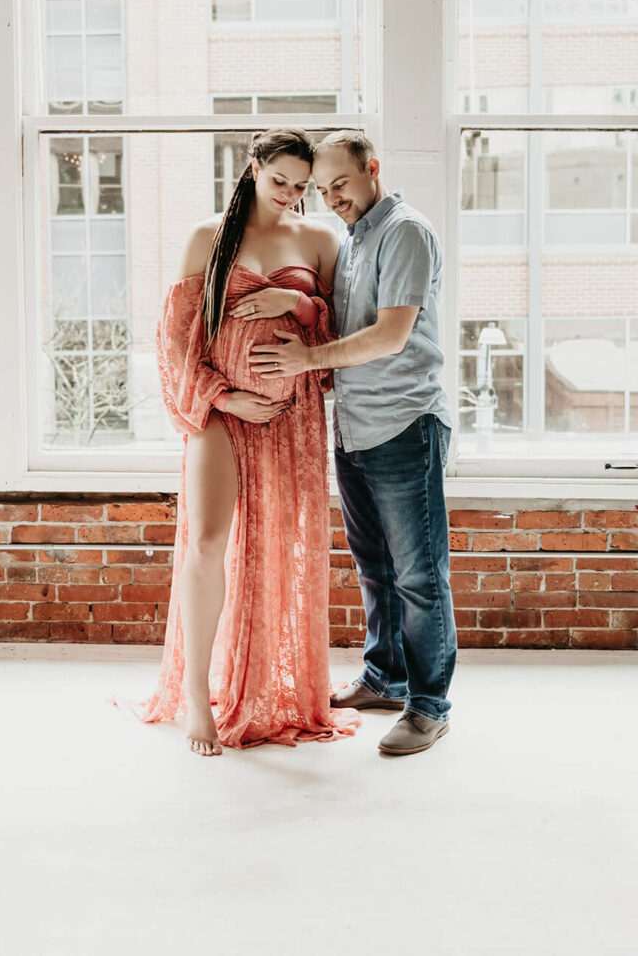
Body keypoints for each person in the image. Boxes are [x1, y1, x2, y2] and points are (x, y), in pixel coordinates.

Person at [137, 128, 360, 756]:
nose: (289, 194)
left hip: (291, 418)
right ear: (253, 167)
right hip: (218, 409)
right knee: (208, 543)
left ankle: (262, 688)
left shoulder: (320, 240)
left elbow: (337, 336)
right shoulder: (208, 237)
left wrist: (298, 302)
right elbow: (175, 338)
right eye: (279, 180)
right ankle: (196, 696)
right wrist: (222, 395)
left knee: (278, 550)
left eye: (300, 186)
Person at [250, 129, 456, 757]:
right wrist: (294, 300)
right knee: (375, 567)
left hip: (404, 423)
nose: (332, 198)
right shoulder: (354, 238)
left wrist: (306, 360)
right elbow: (341, 321)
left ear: (373, 169)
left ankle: (429, 707)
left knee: (419, 576)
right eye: (322, 190)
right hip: (354, 426)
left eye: (341, 184)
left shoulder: (405, 232)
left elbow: (390, 335)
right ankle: (385, 678)